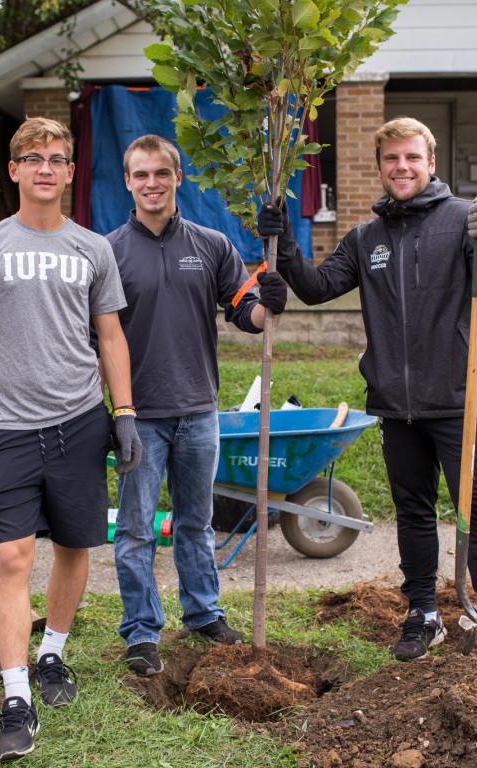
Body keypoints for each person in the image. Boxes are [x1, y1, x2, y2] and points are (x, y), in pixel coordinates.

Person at [257, 116, 477, 666]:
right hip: (398, 408)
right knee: (412, 513)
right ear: (380, 167)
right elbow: (316, 288)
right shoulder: (367, 238)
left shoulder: (463, 221)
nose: (401, 167)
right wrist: (283, 239)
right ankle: (422, 615)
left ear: (430, 163)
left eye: (412, 157)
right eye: (392, 159)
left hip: (462, 403)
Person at [0, 116, 142, 761]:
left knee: (76, 545)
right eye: (32, 158)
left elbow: (110, 336)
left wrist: (123, 412)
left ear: (71, 173)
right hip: (12, 428)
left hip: (80, 421)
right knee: (13, 556)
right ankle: (16, 695)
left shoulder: (93, 249)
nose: (45, 168)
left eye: (57, 159)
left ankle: (53, 656)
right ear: (14, 170)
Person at [103, 134, 287, 676]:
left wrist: (270, 305)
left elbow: (244, 311)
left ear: (177, 177)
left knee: (196, 522)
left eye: (162, 173)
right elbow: (96, 337)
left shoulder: (211, 244)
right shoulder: (108, 251)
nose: (152, 183)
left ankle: (203, 614)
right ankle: (140, 630)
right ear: (129, 182)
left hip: (199, 411)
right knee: (135, 527)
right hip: (138, 416)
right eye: (141, 175)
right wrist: (114, 412)